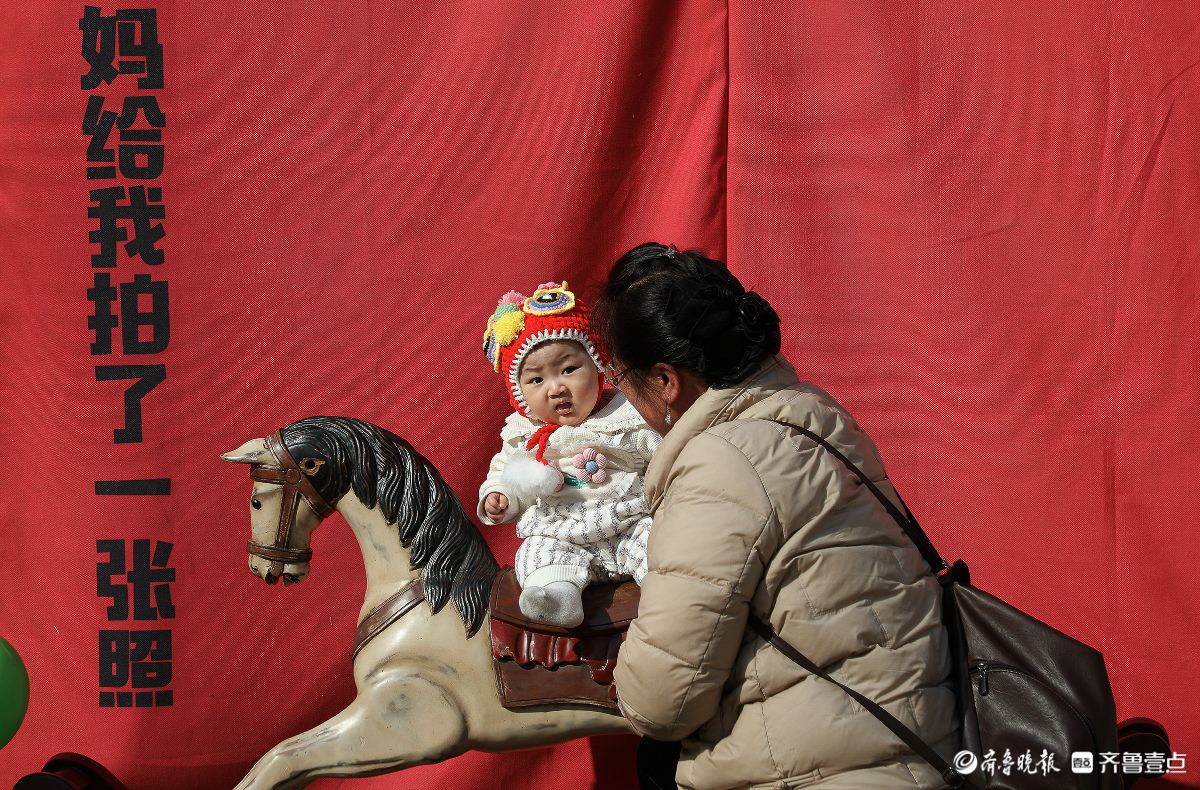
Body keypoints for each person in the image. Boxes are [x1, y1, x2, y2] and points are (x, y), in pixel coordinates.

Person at [600, 244, 958, 789]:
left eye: (620, 376)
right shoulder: (815, 414)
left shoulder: (721, 461)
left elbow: (663, 701)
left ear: (666, 381)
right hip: (918, 746)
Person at [478, 281, 660, 627]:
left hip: (629, 520)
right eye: (536, 380)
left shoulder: (625, 416)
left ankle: (666, 588)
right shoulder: (525, 437)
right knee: (535, 553)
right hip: (562, 530)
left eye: (568, 370)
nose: (556, 388)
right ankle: (557, 597)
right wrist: (499, 495)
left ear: (597, 366)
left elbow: (664, 455)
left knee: (663, 542)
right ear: (519, 393)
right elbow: (504, 472)